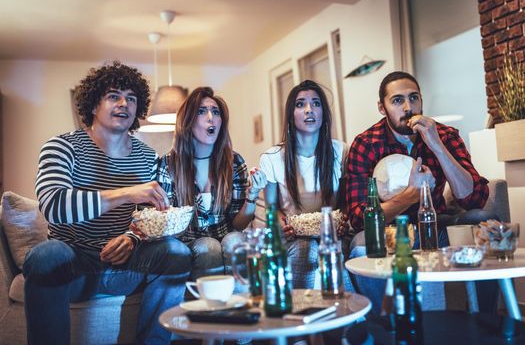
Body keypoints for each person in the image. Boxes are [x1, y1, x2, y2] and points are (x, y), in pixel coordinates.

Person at [25, 61, 192, 345]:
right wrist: (127, 193)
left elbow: (149, 218)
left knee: (176, 252)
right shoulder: (62, 147)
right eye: (113, 95)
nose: (123, 103)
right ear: (93, 105)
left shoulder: (147, 156)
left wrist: (132, 237)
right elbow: (54, 206)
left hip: (123, 266)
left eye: (131, 98)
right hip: (73, 265)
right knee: (45, 255)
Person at [345, 71, 498, 313]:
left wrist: (436, 146)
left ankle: (486, 319)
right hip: (390, 235)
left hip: (435, 228)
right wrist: (411, 194)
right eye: (397, 100)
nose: (409, 107)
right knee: (361, 242)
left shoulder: (444, 135)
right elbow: (358, 217)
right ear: (382, 107)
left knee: (483, 221)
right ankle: (383, 326)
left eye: (414, 98)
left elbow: (474, 198)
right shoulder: (366, 144)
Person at [157, 86, 267, 283]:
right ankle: (208, 310)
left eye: (215, 112)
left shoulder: (234, 162)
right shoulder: (169, 164)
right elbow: (168, 224)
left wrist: (253, 194)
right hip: (187, 241)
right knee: (208, 246)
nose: (211, 118)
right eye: (202, 111)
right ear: (187, 122)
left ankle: (244, 307)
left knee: (236, 241)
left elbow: (238, 224)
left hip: (227, 235)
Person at [259, 80, 353, 290]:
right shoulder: (272, 158)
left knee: (332, 249)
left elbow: (347, 202)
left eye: (316, 103)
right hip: (294, 237)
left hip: (333, 233)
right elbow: (272, 209)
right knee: (306, 247)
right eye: (300, 104)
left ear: (324, 113)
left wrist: (343, 220)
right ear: (291, 115)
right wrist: (281, 225)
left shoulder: (341, 151)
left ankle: (350, 315)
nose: (309, 110)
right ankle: (299, 314)